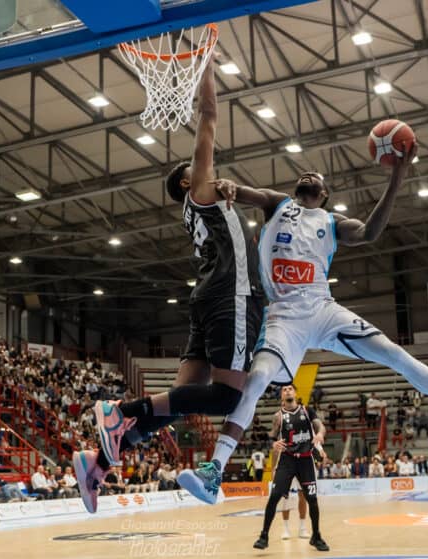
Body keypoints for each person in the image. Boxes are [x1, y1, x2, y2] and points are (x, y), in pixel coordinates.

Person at [179, 153, 428, 504]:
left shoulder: (332, 221)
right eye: (305, 172)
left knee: (396, 354)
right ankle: (214, 472)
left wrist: (398, 176)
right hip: (284, 316)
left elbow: (370, 233)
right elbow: (241, 191)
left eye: (315, 174)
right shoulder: (277, 203)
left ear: (325, 193)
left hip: (323, 308)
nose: (308, 172)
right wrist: (227, 187)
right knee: (256, 380)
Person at [73, 55, 264, 514]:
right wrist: (206, 65)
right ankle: (118, 411)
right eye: (198, 169)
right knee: (226, 396)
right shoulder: (200, 190)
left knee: (174, 407)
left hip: (207, 298)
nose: (209, 169)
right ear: (187, 179)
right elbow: (210, 118)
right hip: (229, 295)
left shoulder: (200, 205)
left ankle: (95, 464)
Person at [253, 385, 328, 551]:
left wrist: (320, 434)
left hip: (306, 460)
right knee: (274, 497)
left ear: (295, 392)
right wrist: (272, 444)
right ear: (281, 395)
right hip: (286, 461)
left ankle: (316, 536)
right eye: (284, 389)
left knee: (312, 500)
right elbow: (271, 437)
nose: (287, 391)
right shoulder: (278, 416)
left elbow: (320, 426)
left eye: (290, 389)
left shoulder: (307, 411)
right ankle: (264, 536)